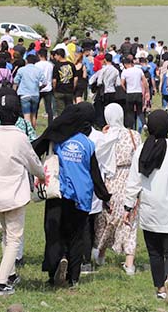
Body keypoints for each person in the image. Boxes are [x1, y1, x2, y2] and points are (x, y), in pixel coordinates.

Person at [32, 103, 111, 288]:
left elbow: (35, 150)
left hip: (58, 194)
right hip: (81, 197)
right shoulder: (88, 144)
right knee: (76, 236)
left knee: (55, 233)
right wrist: (105, 196)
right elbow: (95, 174)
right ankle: (73, 277)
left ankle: (54, 272)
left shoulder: (58, 140)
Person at [0, 89, 45, 296]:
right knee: (15, 238)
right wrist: (41, 175)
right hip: (15, 193)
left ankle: (12, 274)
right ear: (17, 114)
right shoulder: (20, 138)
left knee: (6, 234)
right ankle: (2, 282)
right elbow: (33, 162)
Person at [124, 110, 168, 305]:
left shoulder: (141, 150)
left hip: (149, 209)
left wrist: (128, 207)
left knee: (154, 252)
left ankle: (161, 289)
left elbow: (133, 182)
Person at [91, 104, 141, 275]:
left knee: (107, 221)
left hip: (110, 182)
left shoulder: (105, 137)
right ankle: (129, 263)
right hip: (130, 180)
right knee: (130, 221)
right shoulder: (134, 135)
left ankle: (101, 254)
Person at [13, 54, 45, 129]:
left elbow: (15, 82)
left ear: (26, 61)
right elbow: (45, 82)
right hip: (35, 94)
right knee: (33, 115)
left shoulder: (21, 70)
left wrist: (14, 92)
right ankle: (33, 131)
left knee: (26, 115)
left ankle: (28, 132)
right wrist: (39, 88)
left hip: (24, 94)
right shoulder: (38, 70)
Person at [121, 57, 146, 131]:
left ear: (125, 64)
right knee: (139, 111)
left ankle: (131, 127)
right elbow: (144, 81)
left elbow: (122, 83)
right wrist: (146, 91)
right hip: (138, 92)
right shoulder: (139, 70)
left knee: (130, 112)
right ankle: (144, 123)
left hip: (130, 93)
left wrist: (125, 90)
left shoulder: (125, 72)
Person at [52, 49, 76, 113]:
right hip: (69, 90)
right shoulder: (72, 65)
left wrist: (54, 89)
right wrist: (73, 87)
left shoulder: (56, 66)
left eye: (56, 55)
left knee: (60, 111)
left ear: (59, 55)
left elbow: (54, 80)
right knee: (69, 110)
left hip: (59, 90)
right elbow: (75, 78)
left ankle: (62, 122)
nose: (55, 57)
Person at [37, 49, 55, 121]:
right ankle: (50, 123)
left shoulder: (37, 65)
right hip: (48, 87)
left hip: (39, 87)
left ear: (39, 55)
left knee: (36, 107)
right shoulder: (51, 65)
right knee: (49, 108)